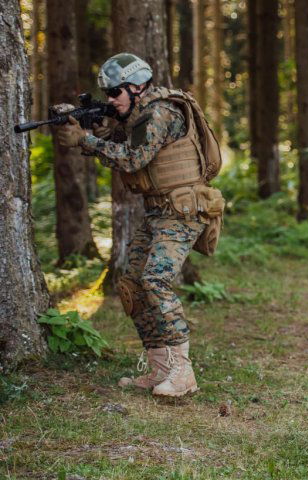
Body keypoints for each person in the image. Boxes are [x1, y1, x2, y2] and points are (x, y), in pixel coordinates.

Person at [54, 52, 223, 397]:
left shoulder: (160, 112)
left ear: (137, 85)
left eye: (116, 92)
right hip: (158, 211)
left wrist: (85, 140)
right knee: (131, 284)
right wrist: (91, 127)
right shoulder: (137, 116)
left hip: (183, 210)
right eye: (109, 94)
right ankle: (160, 368)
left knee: (155, 280)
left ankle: (183, 373)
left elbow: (134, 159)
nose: (112, 100)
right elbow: (125, 145)